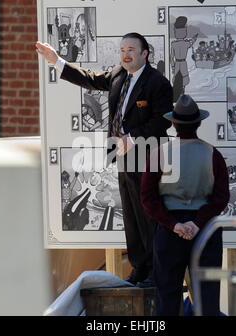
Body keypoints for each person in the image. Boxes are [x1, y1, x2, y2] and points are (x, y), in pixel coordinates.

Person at [36, 32, 173, 287]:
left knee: (149, 215)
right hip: (122, 156)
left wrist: (131, 138)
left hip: (147, 156)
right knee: (131, 216)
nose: (125, 54)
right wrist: (57, 61)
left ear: (145, 53)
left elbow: (163, 119)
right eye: (122, 50)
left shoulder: (158, 83)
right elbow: (89, 79)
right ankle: (140, 268)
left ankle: (157, 271)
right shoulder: (118, 74)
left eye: (131, 49)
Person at [140, 94, 230, 315]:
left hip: (170, 230)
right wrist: (197, 223)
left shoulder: (159, 153)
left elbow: (148, 197)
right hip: (205, 230)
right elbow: (220, 197)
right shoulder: (212, 154)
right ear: (199, 123)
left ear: (173, 123)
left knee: (168, 298)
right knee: (207, 298)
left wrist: (173, 225)